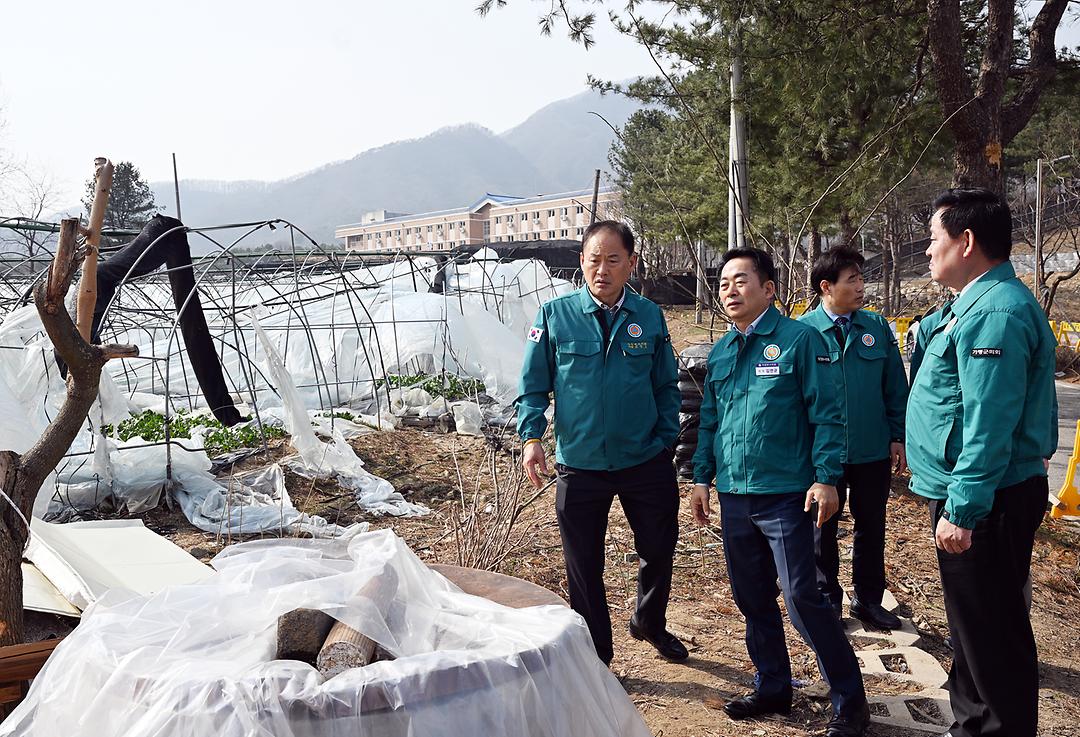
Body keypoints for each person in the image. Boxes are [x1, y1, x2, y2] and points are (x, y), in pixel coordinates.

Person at [690, 248, 869, 737]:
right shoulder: (723, 351)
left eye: (741, 280)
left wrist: (827, 477)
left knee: (802, 598)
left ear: (769, 289)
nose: (730, 290)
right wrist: (701, 478)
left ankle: (851, 703)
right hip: (735, 495)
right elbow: (710, 422)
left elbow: (828, 414)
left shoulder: (799, 341)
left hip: (789, 495)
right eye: (724, 283)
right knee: (752, 598)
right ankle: (773, 686)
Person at [907, 188, 1057, 737]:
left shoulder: (995, 313)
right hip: (973, 492)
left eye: (933, 240)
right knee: (973, 629)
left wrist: (964, 509)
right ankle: (970, 725)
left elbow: (988, 425)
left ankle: (997, 728)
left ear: (966, 242)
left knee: (993, 635)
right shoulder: (973, 303)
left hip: (986, 497)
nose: (926, 251)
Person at [515, 220, 688, 666]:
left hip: (644, 459)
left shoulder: (649, 316)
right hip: (581, 463)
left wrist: (665, 439)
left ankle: (649, 621)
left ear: (631, 263)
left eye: (614, 260)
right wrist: (532, 435)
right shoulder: (556, 315)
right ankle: (598, 657)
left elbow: (666, 386)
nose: (603, 269)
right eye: (594, 259)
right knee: (584, 566)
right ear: (581, 262)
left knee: (658, 548)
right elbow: (534, 385)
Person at [799, 247, 909, 630]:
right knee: (821, 528)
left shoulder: (876, 328)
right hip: (820, 453)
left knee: (871, 526)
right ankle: (826, 599)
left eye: (862, 278)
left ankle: (868, 600)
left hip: (870, 449)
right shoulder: (803, 333)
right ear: (826, 287)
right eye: (853, 280)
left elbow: (895, 386)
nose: (862, 286)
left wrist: (898, 436)